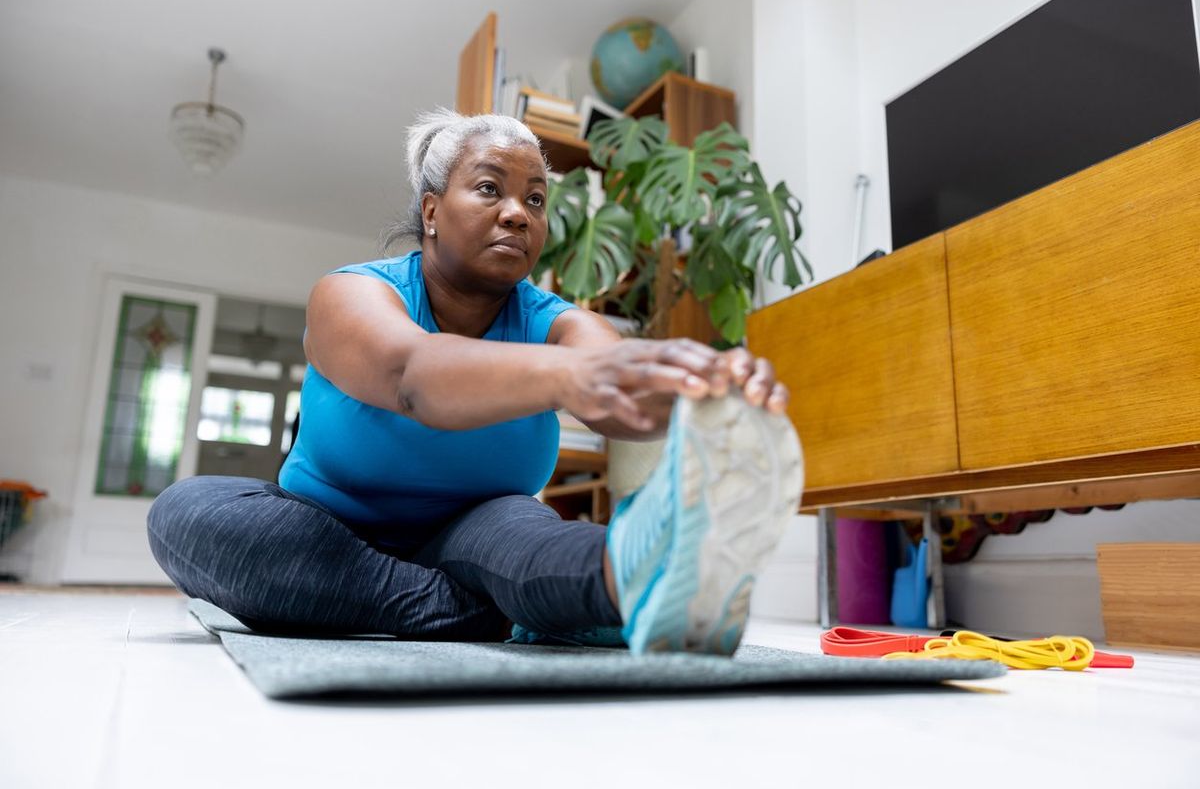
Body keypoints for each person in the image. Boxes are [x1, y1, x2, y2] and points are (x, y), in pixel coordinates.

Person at [148, 110, 803, 655]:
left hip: (479, 530)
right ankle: (489, 613)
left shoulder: (557, 323)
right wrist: (576, 372)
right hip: (328, 531)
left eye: (536, 200)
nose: (519, 213)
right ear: (431, 211)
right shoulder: (352, 293)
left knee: (532, 537)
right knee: (186, 514)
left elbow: (622, 386)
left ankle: (638, 575)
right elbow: (412, 375)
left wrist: (707, 389)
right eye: (491, 189)